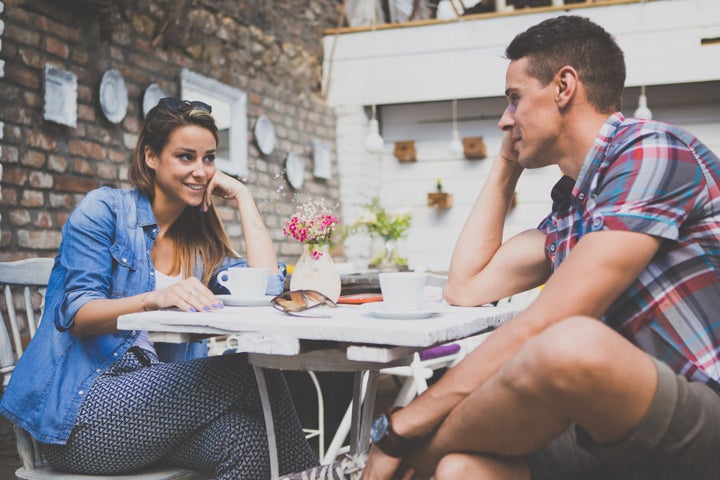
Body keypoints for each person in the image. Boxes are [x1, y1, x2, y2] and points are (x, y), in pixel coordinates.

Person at [280, 15, 720, 480]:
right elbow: (467, 286)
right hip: (603, 425)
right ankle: (378, 464)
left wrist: (400, 428)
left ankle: (364, 466)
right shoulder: (574, 207)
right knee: (461, 470)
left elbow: (551, 323)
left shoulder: (652, 150)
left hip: (700, 410)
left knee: (569, 342)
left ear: (563, 87)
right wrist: (508, 164)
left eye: (514, 99)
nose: (503, 119)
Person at [0, 98, 318, 478]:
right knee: (250, 370)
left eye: (209, 158)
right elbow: (80, 316)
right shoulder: (105, 211)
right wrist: (155, 299)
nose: (201, 171)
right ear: (151, 156)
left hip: (154, 410)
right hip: (81, 413)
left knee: (245, 436)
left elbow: (266, 286)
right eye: (186, 157)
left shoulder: (200, 247)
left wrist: (242, 198)